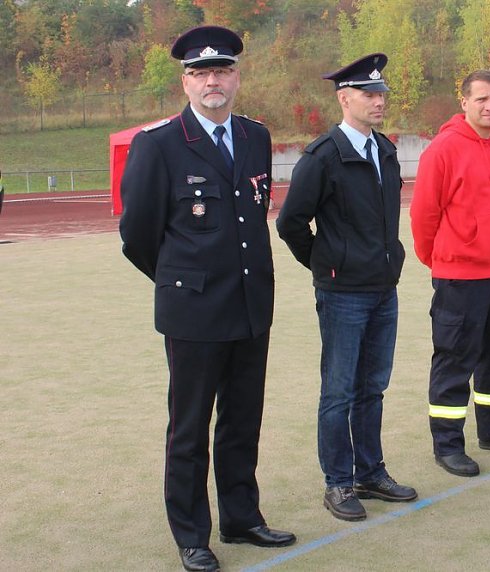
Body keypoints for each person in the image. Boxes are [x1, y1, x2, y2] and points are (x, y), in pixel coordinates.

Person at [119, 25, 295, 572]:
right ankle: (192, 534)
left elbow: (254, 215)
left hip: (250, 305)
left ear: (237, 78)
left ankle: (241, 517)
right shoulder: (158, 144)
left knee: (242, 421)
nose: (212, 81)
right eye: (200, 73)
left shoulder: (255, 136)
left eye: (221, 71)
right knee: (189, 428)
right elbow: (138, 236)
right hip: (194, 312)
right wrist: (182, 281)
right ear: (185, 83)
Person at [276, 53, 417, 522]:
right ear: (344, 98)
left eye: (381, 93)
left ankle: (370, 472)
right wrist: (326, 264)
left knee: (372, 387)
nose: (379, 102)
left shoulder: (385, 151)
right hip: (343, 294)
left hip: (383, 288)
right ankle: (338, 482)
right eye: (368, 94)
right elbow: (291, 223)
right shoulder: (323, 156)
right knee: (338, 391)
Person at [410, 70, 490, 479]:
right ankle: (448, 445)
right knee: (454, 359)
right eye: (481, 99)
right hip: (460, 275)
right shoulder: (443, 149)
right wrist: (442, 260)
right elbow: (423, 214)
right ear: (464, 102)